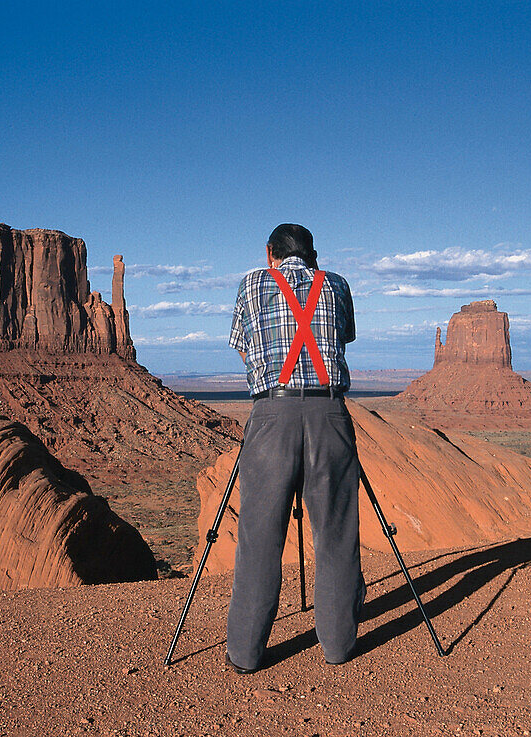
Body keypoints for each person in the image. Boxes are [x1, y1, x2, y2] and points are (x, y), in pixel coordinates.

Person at [225, 223, 366, 673]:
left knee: (259, 539)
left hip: (272, 417)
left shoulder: (251, 282)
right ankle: (338, 648)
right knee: (337, 535)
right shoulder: (337, 285)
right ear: (314, 255)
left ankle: (245, 654)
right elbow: (341, 338)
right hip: (330, 415)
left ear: (270, 253)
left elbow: (244, 349)